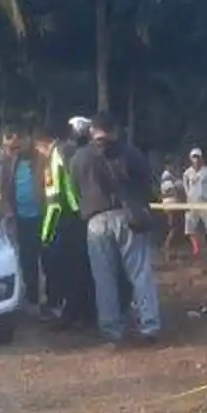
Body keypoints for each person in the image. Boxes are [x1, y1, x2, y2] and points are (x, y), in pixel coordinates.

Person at [77, 112, 161, 346]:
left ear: (92, 130)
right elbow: (147, 183)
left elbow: (76, 187)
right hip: (128, 216)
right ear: (114, 130)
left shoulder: (80, 157)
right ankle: (149, 325)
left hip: (95, 220)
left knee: (103, 278)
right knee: (140, 273)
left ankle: (111, 331)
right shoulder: (130, 153)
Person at [40, 116, 95, 329]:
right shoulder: (84, 152)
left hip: (67, 221)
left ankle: (69, 315)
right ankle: (86, 314)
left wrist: (45, 234)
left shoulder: (57, 154)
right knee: (84, 269)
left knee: (67, 271)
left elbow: (54, 200)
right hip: (85, 216)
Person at [0, 130, 45, 312]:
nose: (14, 149)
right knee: (27, 258)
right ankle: (32, 296)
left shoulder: (42, 160)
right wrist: (6, 211)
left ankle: (51, 298)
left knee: (48, 258)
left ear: (28, 139)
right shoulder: (10, 163)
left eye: (17, 145)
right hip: (21, 217)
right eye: (10, 147)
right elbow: (3, 189)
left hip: (43, 216)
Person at [159, 156, 186, 260]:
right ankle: (167, 246)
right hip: (170, 204)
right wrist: (179, 193)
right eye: (170, 165)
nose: (172, 166)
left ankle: (170, 247)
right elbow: (170, 191)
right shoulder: (166, 176)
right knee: (173, 226)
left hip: (175, 203)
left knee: (176, 226)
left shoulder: (172, 176)